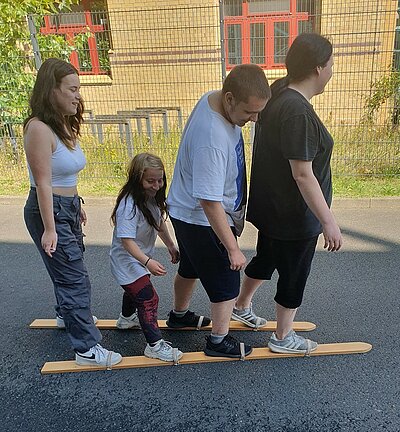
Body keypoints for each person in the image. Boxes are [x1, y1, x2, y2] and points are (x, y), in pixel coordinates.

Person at [236, 33, 343, 354]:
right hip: (294, 216)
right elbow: (302, 173)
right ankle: (283, 337)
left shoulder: (279, 92)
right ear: (318, 68)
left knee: (266, 258)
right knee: (294, 274)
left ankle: (241, 306)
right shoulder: (297, 111)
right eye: (332, 64)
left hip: (273, 209)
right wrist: (328, 221)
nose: (333, 70)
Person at [166, 64, 271, 358]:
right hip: (201, 217)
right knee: (226, 279)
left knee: (190, 266)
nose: (254, 118)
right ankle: (218, 341)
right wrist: (233, 248)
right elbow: (209, 202)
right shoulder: (212, 138)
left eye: (259, 111)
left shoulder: (212, 98)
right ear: (229, 99)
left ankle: (179, 315)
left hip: (186, 211)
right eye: (249, 112)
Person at [23, 58, 122, 367]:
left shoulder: (61, 123)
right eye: (72, 89)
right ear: (51, 90)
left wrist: (75, 204)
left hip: (64, 206)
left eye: (78, 89)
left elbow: (67, 176)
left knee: (67, 270)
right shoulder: (38, 128)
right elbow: (43, 183)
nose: (78, 95)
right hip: (47, 209)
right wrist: (50, 228)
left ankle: (66, 314)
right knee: (74, 279)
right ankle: (87, 349)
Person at [110, 152, 183, 362]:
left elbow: (159, 222)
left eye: (160, 180)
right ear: (136, 179)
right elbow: (127, 241)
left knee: (137, 290)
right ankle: (154, 346)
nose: (156, 185)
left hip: (138, 259)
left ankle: (126, 319)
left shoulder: (150, 199)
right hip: (126, 260)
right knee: (149, 298)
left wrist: (170, 245)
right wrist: (148, 262)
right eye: (150, 181)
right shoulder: (128, 205)